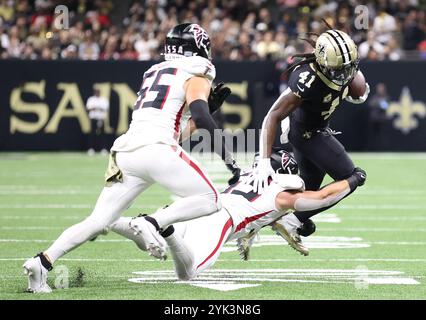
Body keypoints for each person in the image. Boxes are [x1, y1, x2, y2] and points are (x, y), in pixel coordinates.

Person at [23, 23, 240, 293]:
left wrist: (204, 111)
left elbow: (177, 130)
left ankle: (42, 262)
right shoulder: (197, 70)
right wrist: (229, 160)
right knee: (212, 199)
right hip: (156, 149)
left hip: (127, 151)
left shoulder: (154, 71)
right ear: (199, 47)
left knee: (97, 220)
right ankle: (152, 222)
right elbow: (201, 116)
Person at [110, 150, 366, 280]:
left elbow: (264, 214)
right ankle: (168, 231)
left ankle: (113, 221)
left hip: (199, 208)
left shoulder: (247, 174)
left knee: (147, 241)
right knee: (188, 273)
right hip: (221, 221)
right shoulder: (282, 195)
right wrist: (352, 180)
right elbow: (321, 197)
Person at [251, 24, 369, 242]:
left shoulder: (345, 69)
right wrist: (264, 161)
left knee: (306, 191)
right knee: (355, 176)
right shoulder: (308, 78)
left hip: (311, 130)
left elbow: (359, 92)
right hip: (309, 134)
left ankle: (254, 219)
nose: (344, 74)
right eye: (339, 69)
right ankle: (290, 220)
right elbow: (273, 115)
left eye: (349, 67)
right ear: (323, 64)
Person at [86, 87, 109, 154]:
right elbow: (89, 108)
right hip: (93, 119)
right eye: (96, 91)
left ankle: (103, 149)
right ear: (94, 92)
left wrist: (96, 108)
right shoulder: (91, 99)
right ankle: (91, 149)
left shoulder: (103, 99)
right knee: (92, 134)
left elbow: (105, 109)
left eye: (98, 91)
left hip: (101, 119)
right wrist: (97, 108)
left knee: (102, 135)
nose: (97, 92)